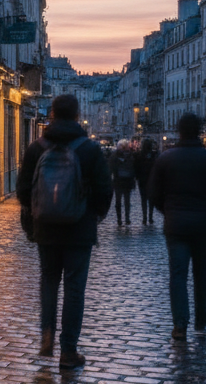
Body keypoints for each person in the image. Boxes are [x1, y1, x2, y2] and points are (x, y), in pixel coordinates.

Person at [17, 94, 113, 369]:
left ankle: (46, 334)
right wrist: (92, 215)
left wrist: (38, 211)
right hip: (79, 228)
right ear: (76, 115)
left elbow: (23, 191)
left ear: (52, 114)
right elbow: (104, 191)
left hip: (45, 227)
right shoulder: (90, 149)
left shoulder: (36, 147)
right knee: (74, 287)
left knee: (49, 280)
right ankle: (68, 350)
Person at [149, 113, 206, 340]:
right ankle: (201, 316)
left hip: (176, 224)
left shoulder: (166, 159)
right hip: (205, 224)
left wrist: (168, 211)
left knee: (177, 274)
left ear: (178, 131)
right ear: (199, 131)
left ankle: (179, 324)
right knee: (202, 272)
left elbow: (154, 194)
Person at [110, 139, 137, 227]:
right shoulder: (131, 155)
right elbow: (134, 168)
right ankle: (126, 218)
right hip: (127, 180)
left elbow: (110, 167)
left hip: (118, 180)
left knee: (119, 201)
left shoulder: (114, 156)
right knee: (126, 201)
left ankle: (120, 219)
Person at [134, 138, 158, 223]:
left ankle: (144, 217)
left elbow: (136, 167)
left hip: (142, 179)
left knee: (143, 199)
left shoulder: (139, 155)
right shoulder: (154, 155)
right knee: (151, 199)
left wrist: (137, 177)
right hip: (151, 179)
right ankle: (150, 217)